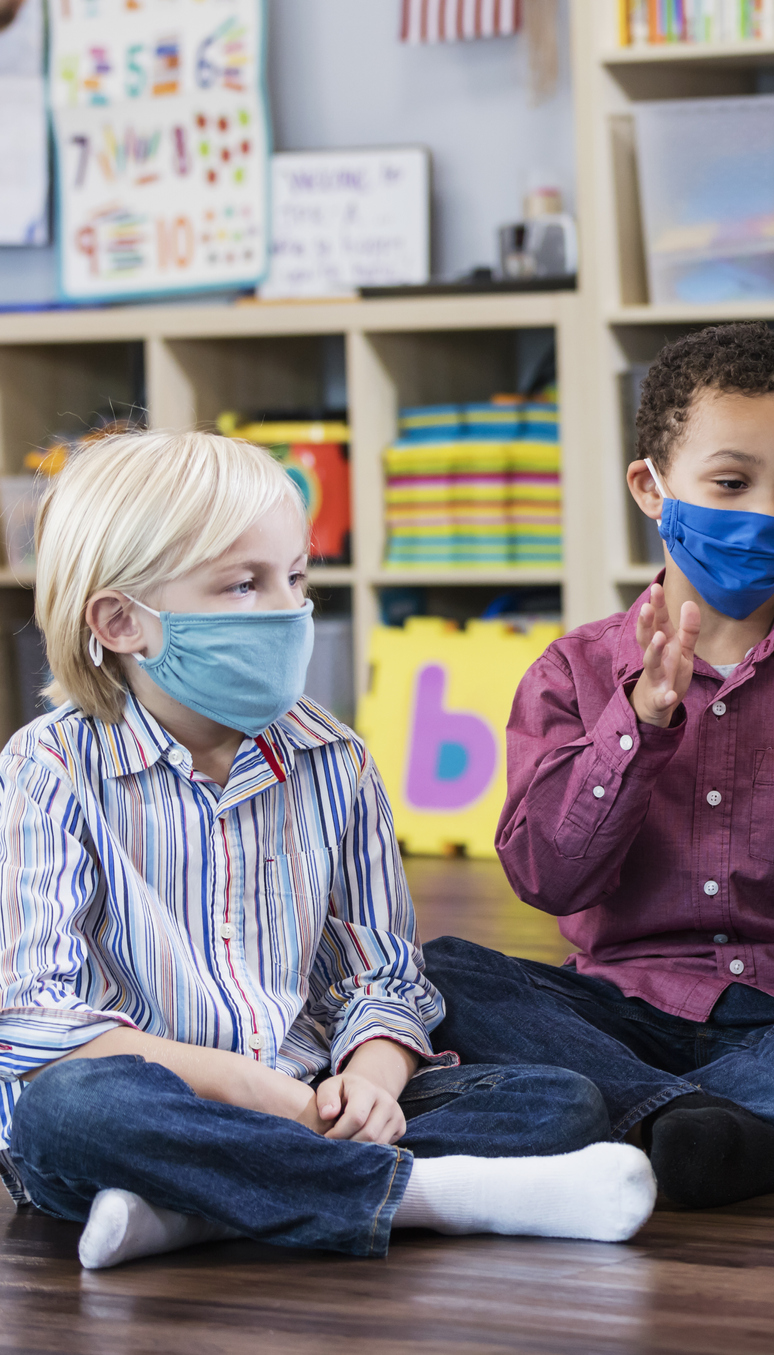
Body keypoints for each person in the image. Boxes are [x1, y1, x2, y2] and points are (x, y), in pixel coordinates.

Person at [0, 431, 653, 1270]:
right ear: (122, 620)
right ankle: (431, 1198)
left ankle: (196, 1208)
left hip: (309, 1098)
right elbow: (35, 1019)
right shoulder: (46, 767)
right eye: (245, 583)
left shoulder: (333, 757)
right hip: (154, 1102)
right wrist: (245, 1088)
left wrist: (372, 1080)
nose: (288, 608)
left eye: (296, 577)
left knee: (558, 1102)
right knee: (74, 1113)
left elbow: (384, 975)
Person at [423, 323, 774, 1211]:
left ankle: (621, 1125)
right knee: (439, 974)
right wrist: (637, 728)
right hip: (617, 1011)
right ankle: (707, 1133)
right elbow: (546, 877)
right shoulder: (572, 672)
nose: (764, 514)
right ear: (650, 489)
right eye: (730, 483)